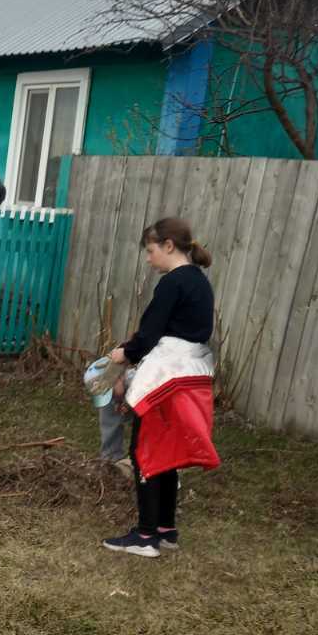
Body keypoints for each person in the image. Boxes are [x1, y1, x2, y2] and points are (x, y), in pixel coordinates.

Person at [102, 217, 218, 557]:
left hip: (166, 376)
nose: (148, 258)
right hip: (191, 375)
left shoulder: (172, 283)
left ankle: (145, 535)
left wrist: (125, 352)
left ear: (168, 246)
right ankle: (166, 528)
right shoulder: (200, 282)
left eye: (150, 251)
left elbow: (150, 332)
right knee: (167, 451)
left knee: (144, 450)